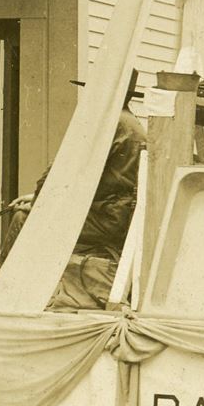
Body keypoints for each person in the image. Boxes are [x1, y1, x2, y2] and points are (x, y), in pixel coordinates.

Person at [47, 107, 148, 311]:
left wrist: (40, 202)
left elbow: (64, 172)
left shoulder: (111, 123)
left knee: (26, 218)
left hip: (107, 218)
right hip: (116, 215)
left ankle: (4, 290)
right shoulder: (131, 123)